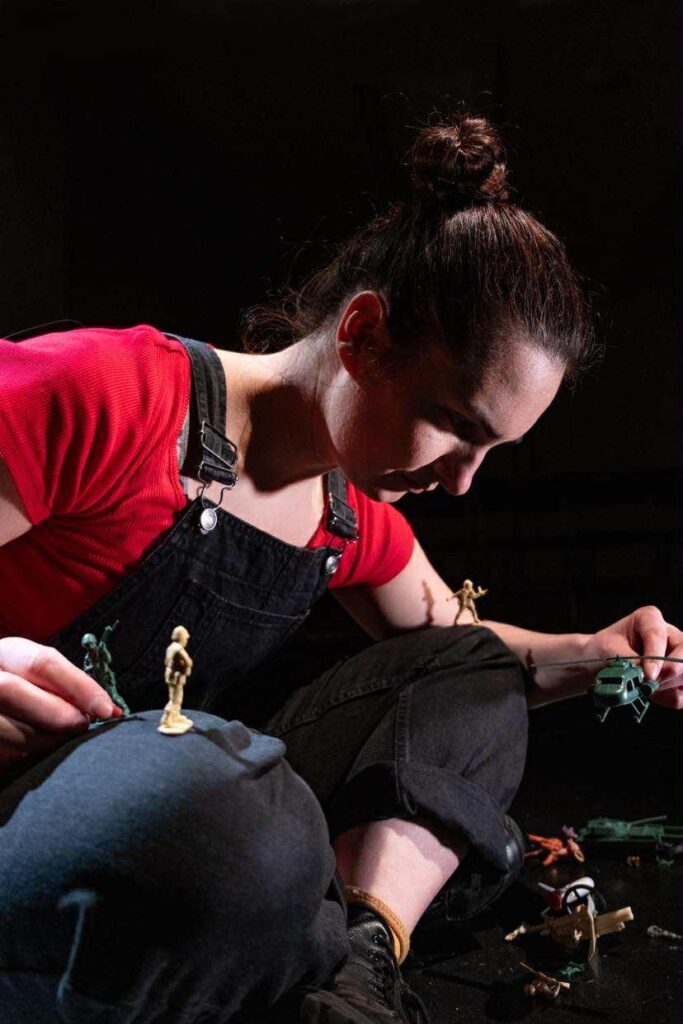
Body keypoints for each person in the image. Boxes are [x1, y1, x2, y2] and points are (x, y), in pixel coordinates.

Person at [0, 113, 681, 1024]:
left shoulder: (346, 515)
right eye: (454, 426)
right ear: (361, 335)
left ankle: (358, 967)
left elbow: (462, 651)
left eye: (491, 451)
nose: (461, 481)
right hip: (39, 801)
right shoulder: (107, 392)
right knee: (226, 815)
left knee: (466, 674)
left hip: (167, 801)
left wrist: (599, 654)